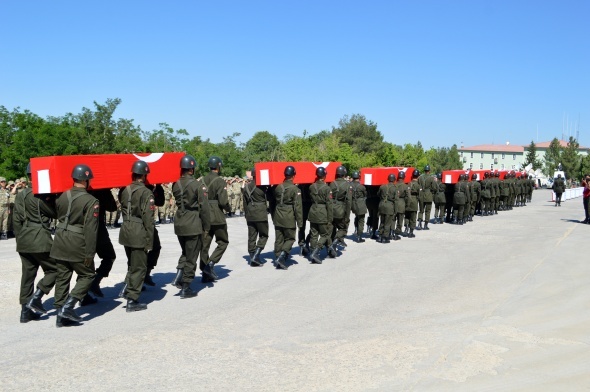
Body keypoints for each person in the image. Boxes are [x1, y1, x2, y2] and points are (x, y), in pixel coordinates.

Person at [50, 164, 99, 327]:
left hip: (60, 239)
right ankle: (68, 307)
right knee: (88, 275)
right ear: (85, 180)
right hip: (77, 242)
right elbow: (91, 229)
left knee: (63, 276)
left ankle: (60, 314)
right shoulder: (91, 200)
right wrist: (90, 253)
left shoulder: (62, 195)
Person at [14, 163, 58, 323]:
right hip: (39, 236)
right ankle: (37, 297)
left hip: (24, 238)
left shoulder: (21, 195)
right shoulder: (40, 195)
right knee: (56, 269)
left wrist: (20, 239)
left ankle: (25, 311)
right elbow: (54, 213)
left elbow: (16, 220)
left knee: (27, 275)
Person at [170, 155, 211, 298]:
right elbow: (204, 208)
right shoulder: (198, 185)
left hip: (179, 222)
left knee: (185, 252)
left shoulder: (176, 184)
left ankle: (178, 277)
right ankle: (186, 286)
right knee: (192, 255)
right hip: (192, 222)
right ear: (192, 169)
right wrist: (207, 226)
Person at [118, 160, 155, 312]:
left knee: (132, 264)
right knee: (140, 267)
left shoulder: (125, 189)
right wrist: (149, 240)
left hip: (126, 230)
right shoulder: (146, 192)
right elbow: (148, 218)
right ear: (145, 175)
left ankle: (128, 289)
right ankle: (132, 300)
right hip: (138, 231)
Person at [200, 156, 231, 282]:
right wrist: (228, 209)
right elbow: (223, 201)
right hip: (216, 214)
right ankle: (210, 264)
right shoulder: (220, 181)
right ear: (218, 166)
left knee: (204, 245)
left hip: (204, 214)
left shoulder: (202, 180)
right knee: (223, 241)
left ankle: (204, 273)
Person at [270, 165, 303, 269]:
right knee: (290, 238)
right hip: (288, 215)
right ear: (293, 176)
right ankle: (282, 256)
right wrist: (300, 222)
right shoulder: (295, 189)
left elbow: (272, 202)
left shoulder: (278, 187)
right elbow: (298, 207)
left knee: (279, 238)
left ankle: (278, 256)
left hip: (278, 214)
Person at [242, 169, 269, 266]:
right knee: (264, 235)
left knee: (252, 236)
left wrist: (246, 214)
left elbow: (244, 203)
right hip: (260, 213)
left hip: (250, 213)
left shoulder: (246, 187)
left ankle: (252, 256)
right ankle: (256, 255)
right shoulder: (262, 187)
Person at [308, 167, 334, 263]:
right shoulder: (327, 188)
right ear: (324, 176)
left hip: (313, 211)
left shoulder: (311, 187)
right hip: (322, 212)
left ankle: (313, 252)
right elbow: (329, 204)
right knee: (325, 234)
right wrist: (330, 218)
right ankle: (316, 251)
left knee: (314, 234)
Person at [329, 165, 352, 248]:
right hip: (340, 209)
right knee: (344, 227)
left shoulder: (331, 183)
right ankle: (336, 240)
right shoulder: (347, 185)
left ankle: (331, 249)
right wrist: (347, 215)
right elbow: (348, 201)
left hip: (331, 208)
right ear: (344, 174)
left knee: (332, 229)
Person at [377, 173, 397, 243]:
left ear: (388, 179)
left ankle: (380, 236)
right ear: (394, 180)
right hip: (389, 206)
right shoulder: (395, 188)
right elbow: (396, 200)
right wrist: (395, 211)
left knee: (382, 221)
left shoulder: (382, 186)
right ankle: (385, 237)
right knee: (387, 223)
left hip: (382, 205)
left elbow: (378, 194)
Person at [417, 165, 436, 230]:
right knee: (427, 211)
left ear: (424, 170)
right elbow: (434, 187)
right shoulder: (431, 178)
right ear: (429, 171)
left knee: (421, 210)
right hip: (428, 195)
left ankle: (419, 223)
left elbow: (418, 186)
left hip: (421, 194)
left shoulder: (420, 178)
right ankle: (425, 225)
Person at [350, 171, 367, 243]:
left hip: (353, 203)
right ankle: (359, 236)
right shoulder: (361, 186)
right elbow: (365, 194)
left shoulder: (349, 185)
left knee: (357, 217)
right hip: (360, 203)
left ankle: (356, 229)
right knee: (361, 219)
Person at [405, 169, 421, 238]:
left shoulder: (408, 183)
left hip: (407, 200)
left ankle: (406, 227)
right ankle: (411, 232)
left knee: (407, 215)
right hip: (414, 200)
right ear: (418, 176)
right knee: (413, 217)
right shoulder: (418, 185)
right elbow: (420, 195)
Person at [393, 172, 409, 239]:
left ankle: (392, 231)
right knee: (400, 219)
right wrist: (407, 205)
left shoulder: (394, 185)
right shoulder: (405, 186)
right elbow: (408, 197)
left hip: (394, 203)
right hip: (402, 203)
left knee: (393, 219)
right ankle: (397, 232)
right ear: (404, 177)